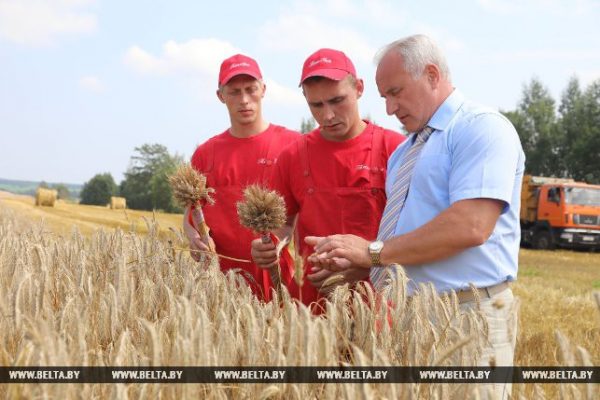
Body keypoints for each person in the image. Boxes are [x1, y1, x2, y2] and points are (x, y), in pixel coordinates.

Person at [306, 35, 524, 399]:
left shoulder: (481, 128)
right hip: (412, 316)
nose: (390, 108)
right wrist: (361, 265)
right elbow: (410, 235)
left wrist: (373, 252)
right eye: (384, 97)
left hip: (468, 317)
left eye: (396, 92)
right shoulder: (405, 152)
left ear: (433, 74)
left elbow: (471, 226)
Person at [251, 48, 405, 312]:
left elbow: (416, 231)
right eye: (316, 105)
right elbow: (282, 224)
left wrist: (368, 262)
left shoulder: (395, 149)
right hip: (315, 307)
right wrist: (270, 245)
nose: (328, 115)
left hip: (384, 305)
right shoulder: (292, 156)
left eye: (337, 100)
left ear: (358, 88)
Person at [185, 54, 300, 302]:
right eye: (235, 92)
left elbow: (302, 213)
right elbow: (191, 216)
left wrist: (278, 242)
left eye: (251, 89)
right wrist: (193, 239)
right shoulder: (205, 154)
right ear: (221, 96)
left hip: (277, 284)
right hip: (218, 288)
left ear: (263, 90)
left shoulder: (292, 145)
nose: (244, 100)